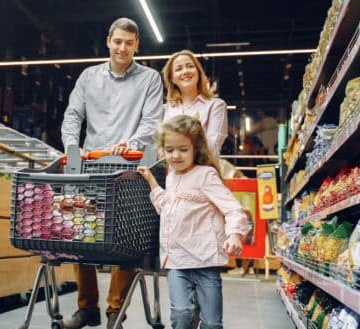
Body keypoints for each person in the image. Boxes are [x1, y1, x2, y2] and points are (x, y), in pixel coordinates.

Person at [60, 17, 163, 329]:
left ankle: (114, 311)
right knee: (81, 235)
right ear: (108, 41)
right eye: (117, 41)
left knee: (128, 240)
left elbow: (151, 121)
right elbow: (73, 114)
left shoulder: (150, 79)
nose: (122, 48)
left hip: (130, 169)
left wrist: (131, 143)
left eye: (129, 43)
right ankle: (87, 307)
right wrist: (70, 147)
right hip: (90, 167)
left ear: (136, 46)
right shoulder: (88, 77)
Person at [137, 115, 250, 329]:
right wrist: (152, 183)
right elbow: (167, 208)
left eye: (183, 149)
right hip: (177, 261)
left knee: (212, 323)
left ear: (196, 148)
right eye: (170, 150)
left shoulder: (205, 175)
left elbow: (232, 208)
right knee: (181, 314)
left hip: (205, 260)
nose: (176, 155)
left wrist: (234, 234)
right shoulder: (171, 177)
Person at [161, 50, 228, 158]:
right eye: (179, 69)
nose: (185, 71)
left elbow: (212, 146)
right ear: (172, 78)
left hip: (202, 171)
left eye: (190, 66)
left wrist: (174, 151)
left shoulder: (216, 105)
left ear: (198, 72)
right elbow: (159, 148)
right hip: (170, 173)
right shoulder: (165, 109)